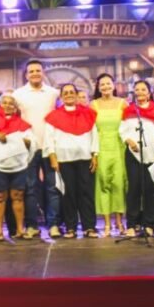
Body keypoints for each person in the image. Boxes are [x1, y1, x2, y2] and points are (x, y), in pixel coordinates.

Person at [44, 84, 99, 239]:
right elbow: (49, 138)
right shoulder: (54, 116)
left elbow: (95, 135)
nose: (68, 95)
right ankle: (70, 228)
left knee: (87, 193)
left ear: (76, 95)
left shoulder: (88, 113)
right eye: (65, 93)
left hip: (85, 158)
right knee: (68, 195)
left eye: (71, 92)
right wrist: (52, 157)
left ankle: (89, 227)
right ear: (61, 97)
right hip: (64, 159)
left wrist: (95, 155)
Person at [14, 59, 61, 237]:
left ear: (43, 72)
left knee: (52, 188)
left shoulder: (53, 93)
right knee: (30, 188)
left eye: (38, 70)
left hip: (50, 147)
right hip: (28, 149)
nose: (35, 73)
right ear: (26, 75)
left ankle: (54, 225)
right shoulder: (18, 94)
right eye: (31, 71)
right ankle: (32, 225)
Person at [0, 93, 34, 240]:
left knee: (18, 196)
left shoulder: (22, 123)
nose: (8, 106)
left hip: (18, 166)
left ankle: (20, 229)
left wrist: (27, 142)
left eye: (11, 103)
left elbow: (32, 142)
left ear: (15, 108)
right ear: (0, 105)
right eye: (4, 103)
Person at [119, 80, 154, 236]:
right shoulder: (129, 110)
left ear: (149, 92)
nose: (140, 92)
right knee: (134, 189)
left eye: (143, 89)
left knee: (151, 190)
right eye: (137, 89)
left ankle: (150, 224)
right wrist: (129, 140)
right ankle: (132, 224)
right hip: (133, 155)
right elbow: (122, 130)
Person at [90, 73, 127, 236]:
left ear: (114, 85)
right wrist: (94, 153)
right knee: (103, 183)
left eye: (108, 83)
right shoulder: (93, 105)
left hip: (119, 148)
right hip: (101, 147)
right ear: (98, 88)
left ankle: (119, 221)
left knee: (119, 184)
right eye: (102, 84)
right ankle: (106, 224)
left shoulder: (123, 103)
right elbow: (92, 130)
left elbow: (128, 126)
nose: (105, 87)